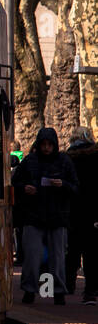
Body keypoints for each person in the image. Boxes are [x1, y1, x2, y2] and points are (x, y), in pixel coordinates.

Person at [12, 127, 78, 305]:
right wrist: (25, 188)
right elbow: (15, 182)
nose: (47, 148)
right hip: (34, 215)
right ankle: (29, 290)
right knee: (32, 256)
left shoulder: (64, 161)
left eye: (50, 145)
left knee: (57, 258)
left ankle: (58, 292)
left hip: (57, 216)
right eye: (44, 144)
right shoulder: (30, 161)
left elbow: (75, 187)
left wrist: (62, 184)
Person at [66, 127, 98, 305]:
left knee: (72, 249)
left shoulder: (67, 158)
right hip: (93, 211)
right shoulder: (96, 157)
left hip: (72, 210)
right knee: (91, 253)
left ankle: (68, 284)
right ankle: (90, 291)